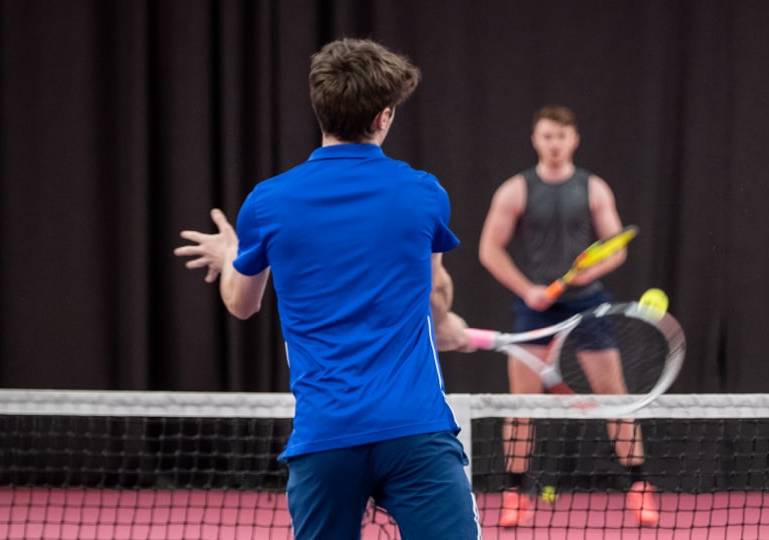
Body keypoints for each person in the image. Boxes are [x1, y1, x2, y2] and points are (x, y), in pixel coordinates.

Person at [174, 38, 481, 539]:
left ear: (320, 110)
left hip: (326, 438)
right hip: (415, 430)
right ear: (384, 117)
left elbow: (241, 302)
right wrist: (446, 324)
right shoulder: (425, 192)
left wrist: (231, 255)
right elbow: (435, 291)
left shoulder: (267, 203)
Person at [478, 104, 659, 527]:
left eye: (561, 137)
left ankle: (639, 486)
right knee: (521, 403)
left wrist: (587, 273)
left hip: (588, 304)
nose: (554, 144)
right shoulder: (514, 190)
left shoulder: (593, 187)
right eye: (546, 136)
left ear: (573, 139)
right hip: (533, 308)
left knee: (615, 396)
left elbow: (616, 246)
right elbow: (489, 249)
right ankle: (515, 492)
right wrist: (529, 291)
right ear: (535, 139)